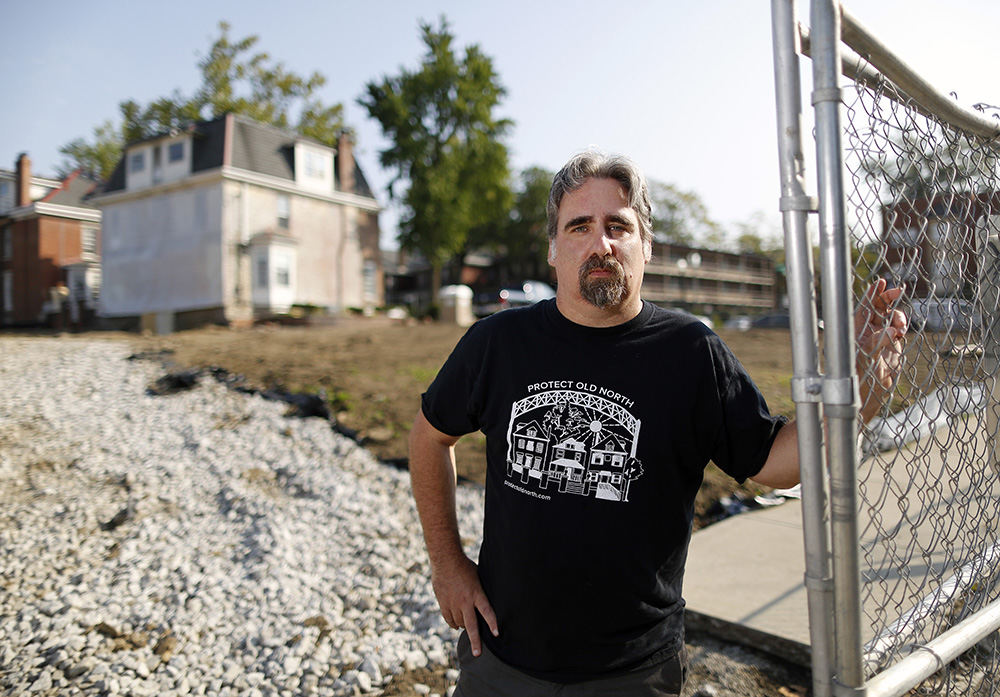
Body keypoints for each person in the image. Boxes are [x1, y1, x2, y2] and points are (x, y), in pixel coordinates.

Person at [408, 150, 907, 696]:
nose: (600, 244)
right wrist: (448, 562)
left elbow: (777, 464)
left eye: (618, 226)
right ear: (553, 248)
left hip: (635, 672)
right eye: (579, 226)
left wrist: (857, 391)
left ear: (646, 245)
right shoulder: (497, 343)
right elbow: (430, 436)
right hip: (502, 659)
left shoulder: (690, 351)